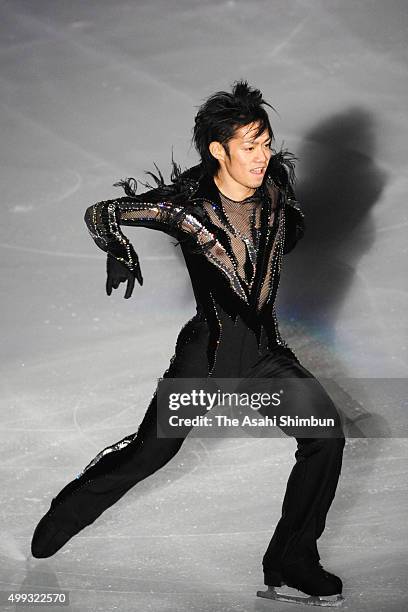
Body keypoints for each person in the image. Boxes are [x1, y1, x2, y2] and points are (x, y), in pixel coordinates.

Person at [31, 81, 346, 606]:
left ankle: (291, 560)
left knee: (325, 439)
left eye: (266, 142)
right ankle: (70, 505)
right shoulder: (186, 211)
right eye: (250, 146)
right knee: (149, 455)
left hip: (265, 355)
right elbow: (102, 212)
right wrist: (118, 249)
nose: (263, 156)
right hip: (206, 359)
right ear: (218, 151)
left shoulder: (273, 190)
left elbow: (289, 227)